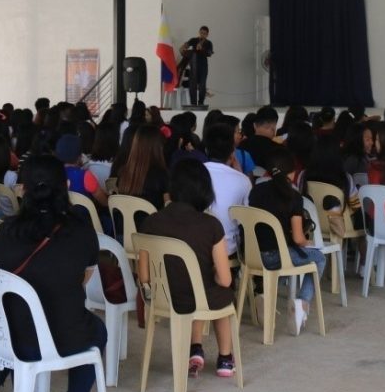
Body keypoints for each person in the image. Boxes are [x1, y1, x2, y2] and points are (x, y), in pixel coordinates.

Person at [0, 155, 106, 392]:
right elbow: (83, 279)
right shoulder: (82, 230)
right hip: (65, 335)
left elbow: (4, 280)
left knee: (21, 319)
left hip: (12, 338)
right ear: (66, 185)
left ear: (22, 189)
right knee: (97, 330)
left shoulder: (6, 230)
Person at [138, 159, 236, 378]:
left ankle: (195, 349)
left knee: (196, 286)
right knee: (220, 292)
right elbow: (225, 279)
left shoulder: (151, 222)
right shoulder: (211, 225)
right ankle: (225, 359)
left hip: (165, 299)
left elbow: (144, 276)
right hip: (201, 298)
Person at [248, 149, 326, 336]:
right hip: (277, 256)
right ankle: (302, 302)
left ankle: (266, 296)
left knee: (285, 260)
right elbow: (298, 239)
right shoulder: (294, 196)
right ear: (292, 173)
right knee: (319, 258)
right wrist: (308, 242)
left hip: (252, 256)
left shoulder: (255, 191)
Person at [202, 124, 249, 258]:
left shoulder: (194, 173)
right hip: (228, 250)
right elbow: (246, 219)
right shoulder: (242, 181)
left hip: (196, 246)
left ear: (206, 150)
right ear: (232, 151)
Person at [116, 124, 170, 212]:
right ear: (158, 147)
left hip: (125, 224)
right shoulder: (162, 175)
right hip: (153, 224)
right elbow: (168, 208)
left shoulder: (123, 171)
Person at [180, 26, 213, 106]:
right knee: (192, 85)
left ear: (207, 34)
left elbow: (209, 53)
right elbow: (186, 46)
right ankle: (193, 104)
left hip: (203, 67)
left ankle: (201, 102)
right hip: (193, 66)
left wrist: (202, 49)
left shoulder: (209, 43)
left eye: (204, 34)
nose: (202, 35)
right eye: (201, 33)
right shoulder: (194, 40)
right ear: (199, 32)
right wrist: (184, 46)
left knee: (202, 85)